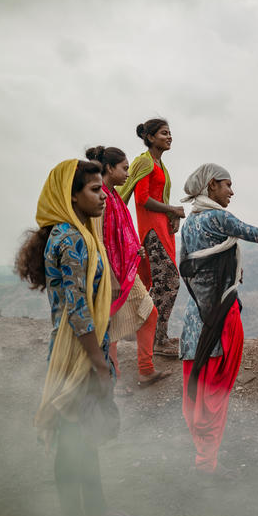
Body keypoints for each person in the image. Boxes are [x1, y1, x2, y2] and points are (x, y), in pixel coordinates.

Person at [15, 159, 144, 516]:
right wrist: (97, 360)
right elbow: (76, 306)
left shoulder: (83, 234)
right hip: (78, 350)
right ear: (71, 196)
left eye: (103, 188)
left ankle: (98, 511)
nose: (103, 195)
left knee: (85, 434)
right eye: (94, 190)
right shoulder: (70, 239)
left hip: (89, 345)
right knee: (72, 439)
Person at [177, 163, 258, 477]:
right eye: (227, 185)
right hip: (221, 315)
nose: (231, 192)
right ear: (212, 186)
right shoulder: (218, 217)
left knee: (199, 389)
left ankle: (202, 456)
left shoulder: (190, 223)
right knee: (216, 391)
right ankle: (207, 464)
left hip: (195, 317)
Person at [85, 145, 169, 389]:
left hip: (124, 268)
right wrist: (109, 275)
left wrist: (133, 249)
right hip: (112, 274)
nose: (128, 173)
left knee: (135, 316)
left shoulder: (111, 196)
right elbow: (100, 239)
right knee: (112, 323)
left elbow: (119, 233)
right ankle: (118, 377)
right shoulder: (100, 197)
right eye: (124, 168)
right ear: (109, 168)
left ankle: (140, 371)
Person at [117, 118, 185, 357]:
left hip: (159, 228)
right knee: (169, 282)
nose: (169, 137)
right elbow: (142, 199)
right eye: (164, 133)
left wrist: (171, 215)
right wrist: (172, 210)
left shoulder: (159, 165)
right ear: (151, 138)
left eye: (170, 133)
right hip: (151, 231)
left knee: (161, 282)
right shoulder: (145, 162)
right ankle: (156, 338)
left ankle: (156, 335)